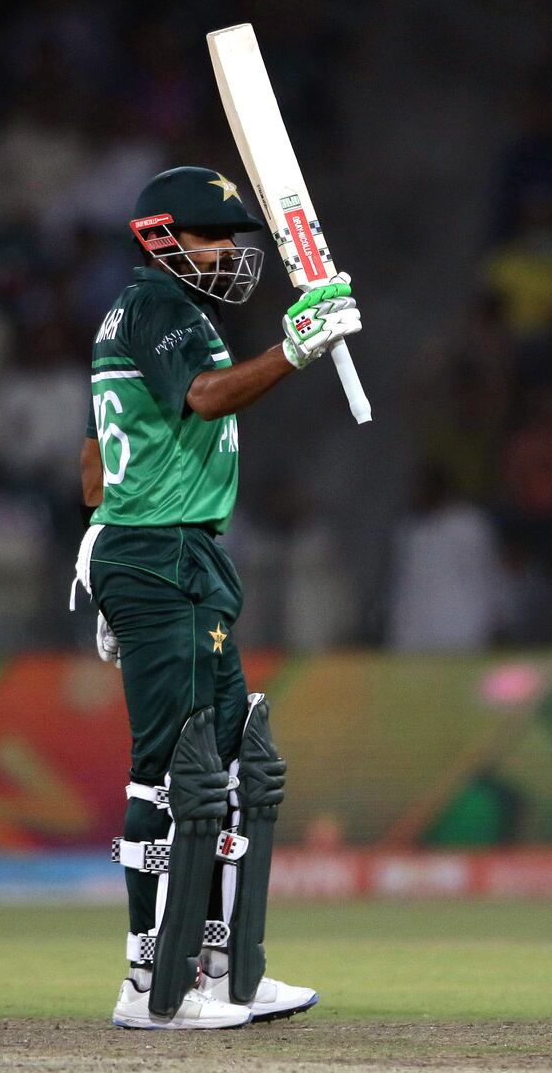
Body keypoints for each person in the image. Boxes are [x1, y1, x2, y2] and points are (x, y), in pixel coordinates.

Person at [71, 166, 361, 1030]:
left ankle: (226, 968)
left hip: (167, 551)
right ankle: (150, 985)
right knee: (171, 773)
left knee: (235, 764)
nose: (233, 253)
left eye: (235, 239)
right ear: (165, 238)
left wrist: (97, 542)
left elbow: (95, 460)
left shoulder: (143, 316)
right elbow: (203, 399)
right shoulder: (163, 309)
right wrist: (298, 350)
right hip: (162, 556)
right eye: (215, 238)